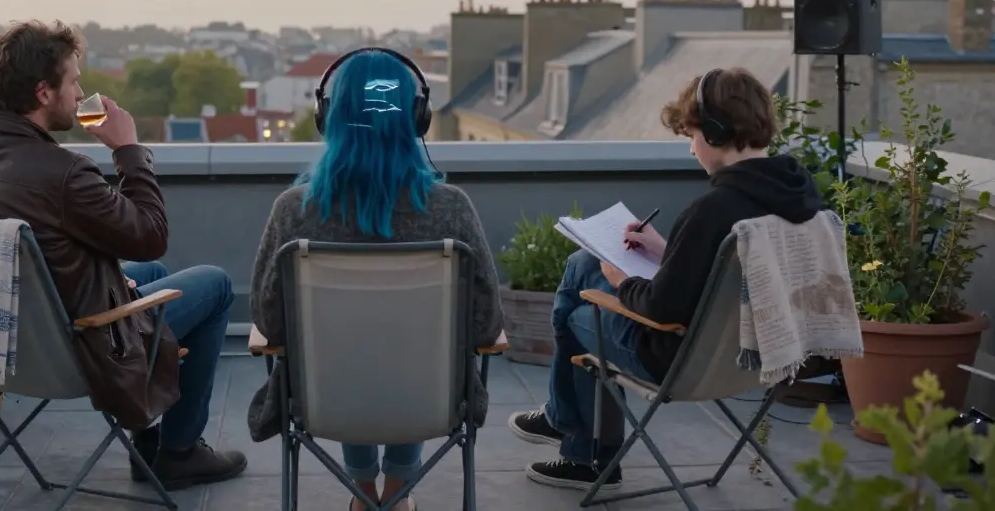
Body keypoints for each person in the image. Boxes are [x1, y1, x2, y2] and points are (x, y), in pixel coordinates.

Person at [0, 20, 246, 490]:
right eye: (74, 81)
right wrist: (127, 149)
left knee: (152, 274)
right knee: (215, 284)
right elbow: (149, 234)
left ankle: (147, 442)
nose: (81, 95)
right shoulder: (64, 173)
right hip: (80, 350)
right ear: (43, 92)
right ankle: (179, 452)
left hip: (3, 344)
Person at [510, 67, 825, 491]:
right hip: (756, 355)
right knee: (583, 262)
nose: (692, 150)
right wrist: (665, 249)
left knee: (578, 313)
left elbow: (663, 309)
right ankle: (562, 420)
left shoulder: (714, 209)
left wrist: (621, 279)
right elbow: (717, 275)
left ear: (712, 132)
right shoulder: (802, 200)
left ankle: (583, 450)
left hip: (681, 361)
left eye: (691, 136)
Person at [247, 48, 504, 511]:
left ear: (328, 118)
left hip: (325, 400)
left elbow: (267, 320)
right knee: (413, 348)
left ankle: (363, 495)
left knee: (350, 348)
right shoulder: (452, 209)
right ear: (417, 118)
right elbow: (486, 326)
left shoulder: (293, 211)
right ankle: (397, 494)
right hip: (429, 400)